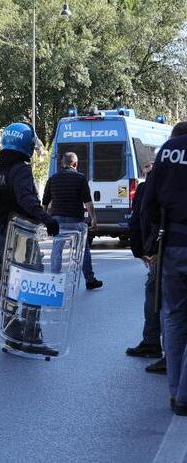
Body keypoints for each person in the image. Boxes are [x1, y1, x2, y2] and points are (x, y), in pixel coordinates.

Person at [0, 122, 61, 357]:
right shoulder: (20, 169)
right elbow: (26, 199)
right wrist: (47, 219)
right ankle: (31, 336)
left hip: (0, 231)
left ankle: (11, 332)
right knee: (31, 282)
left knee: (11, 282)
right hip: (19, 233)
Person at [140, 120, 187, 416]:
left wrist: (148, 246)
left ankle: (175, 393)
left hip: (171, 243)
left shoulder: (169, 150)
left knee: (173, 315)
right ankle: (184, 393)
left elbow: (148, 202)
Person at [126, 158, 165, 374]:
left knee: (158, 296)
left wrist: (142, 250)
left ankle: (154, 343)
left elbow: (140, 217)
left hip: (164, 249)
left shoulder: (150, 185)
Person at [42, 152, 103, 289]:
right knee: (82, 249)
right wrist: (94, 219)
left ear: (62, 163)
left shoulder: (53, 178)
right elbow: (88, 202)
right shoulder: (80, 178)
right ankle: (89, 279)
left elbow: (45, 202)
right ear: (75, 164)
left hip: (57, 220)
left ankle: (54, 279)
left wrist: (44, 220)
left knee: (57, 249)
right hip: (75, 220)